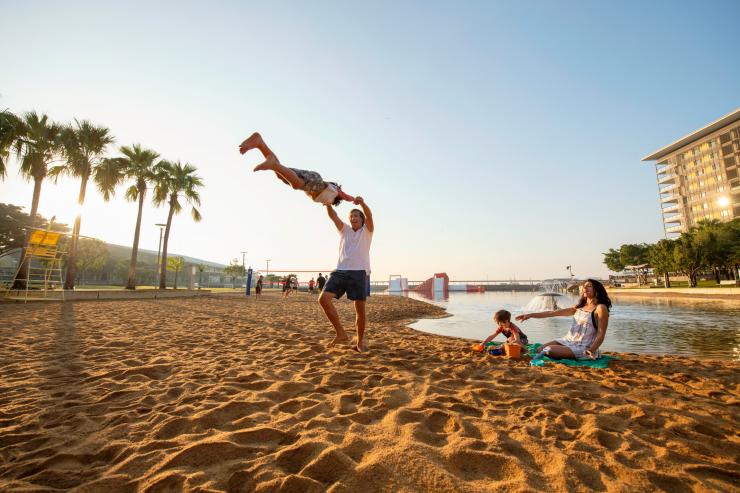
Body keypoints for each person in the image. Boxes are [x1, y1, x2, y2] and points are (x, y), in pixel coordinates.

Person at [239, 132, 355, 206]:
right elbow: (345, 196)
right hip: (316, 182)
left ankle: (260, 143)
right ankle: (273, 164)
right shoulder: (334, 193)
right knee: (296, 185)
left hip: (313, 178)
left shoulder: (328, 201)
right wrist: (354, 200)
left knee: (281, 175)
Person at [319, 197, 374, 353]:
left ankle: (360, 342)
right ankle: (341, 333)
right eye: (351, 216)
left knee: (360, 311)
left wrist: (363, 203)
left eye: (356, 216)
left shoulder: (367, 231)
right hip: (340, 270)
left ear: (362, 220)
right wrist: (327, 203)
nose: (353, 218)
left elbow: (370, 216)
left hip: (359, 272)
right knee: (323, 299)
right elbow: (333, 216)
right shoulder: (345, 230)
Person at [515, 279, 611, 360]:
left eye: (589, 286)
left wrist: (592, 350)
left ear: (597, 290)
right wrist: (530, 315)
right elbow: (552, 313)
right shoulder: (579, 307)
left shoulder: (600, 308)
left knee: (548, 349)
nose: (585, 288)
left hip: (584, 347)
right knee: (540, 349)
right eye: (584, 286)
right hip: (567, 340)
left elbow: (601, 334)